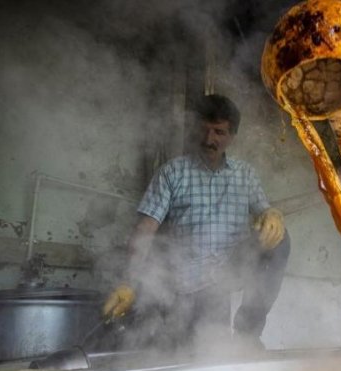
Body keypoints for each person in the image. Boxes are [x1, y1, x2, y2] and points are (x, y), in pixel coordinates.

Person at [102, 93, 290, 353]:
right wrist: (128, 282)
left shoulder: (245, 175)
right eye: (204, 130)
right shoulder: (172, 172)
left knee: (281, 239)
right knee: (196, 357)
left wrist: (271, 213)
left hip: (227, 273)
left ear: (232, 137)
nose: (209, 140)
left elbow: (265, 214)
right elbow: (145, 230)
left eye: (219, 132)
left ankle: (248, 332)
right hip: (184, 284)